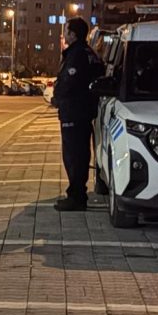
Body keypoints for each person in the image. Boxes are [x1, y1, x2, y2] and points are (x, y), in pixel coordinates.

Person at [51, 17, 104, 212]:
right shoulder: (89, 53)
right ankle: (76, 193)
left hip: (74, 111)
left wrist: (57, 97)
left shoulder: (77, 55)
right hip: (83, 111)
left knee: (74, 155)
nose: (64, 34)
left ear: (73, 34)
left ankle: (76, 196)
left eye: (66, 30)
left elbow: (68, 83)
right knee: (80, 154)